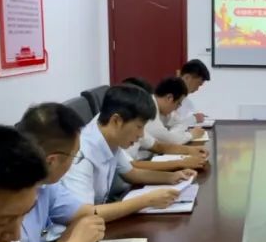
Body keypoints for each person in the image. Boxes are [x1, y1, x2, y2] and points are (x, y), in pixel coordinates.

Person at [60, 83, 196, 220]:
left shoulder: (108, 136)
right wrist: (146, 201)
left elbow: (131, 173)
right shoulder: (82, 153)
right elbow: (85, 215)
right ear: (117, 121)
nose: (141, 135)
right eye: (139, 127)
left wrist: (172, 177)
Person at [15, 102, 107, 242]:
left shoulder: (45, 183)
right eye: (74, 156)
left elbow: (85, 214)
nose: (74, 163)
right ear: (52, 161)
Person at [121, 77, 207, 172]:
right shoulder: (130, 123)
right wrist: (181, 163)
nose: (142, 133)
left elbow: (158, 146)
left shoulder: (136, 121)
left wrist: (190, 150)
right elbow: (131, 166)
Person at [146, 77, 206, 146]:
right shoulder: (148, 108)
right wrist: (191, 134)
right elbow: (169, 140)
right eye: (178, 103)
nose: (177, 108)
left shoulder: (163, 109)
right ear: (169, 98)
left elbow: (179, 123)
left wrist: (173, 135)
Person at [170, 59, 211, 128]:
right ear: (187, 77)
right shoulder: (169, 96)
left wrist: (196, 116)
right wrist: (194, 118)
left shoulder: (186, 100)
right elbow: (170, 124)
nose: (197, 89)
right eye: (198, 84)